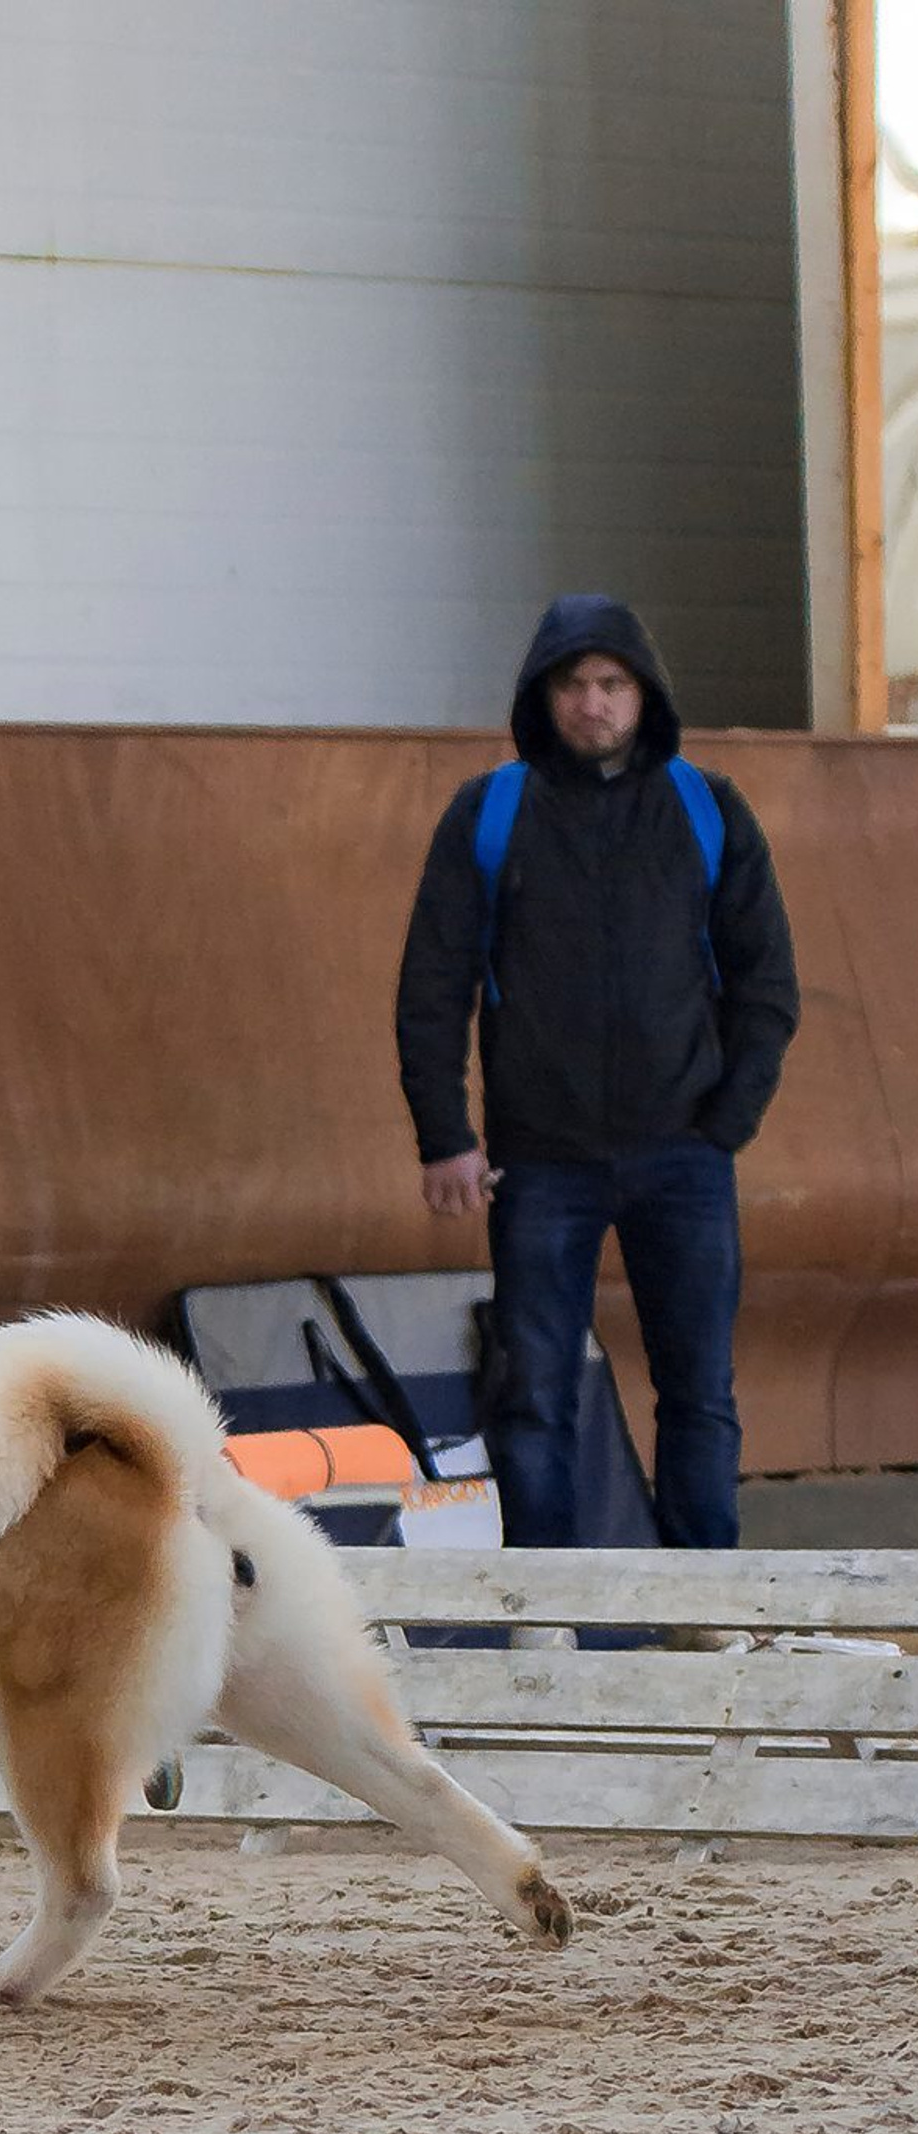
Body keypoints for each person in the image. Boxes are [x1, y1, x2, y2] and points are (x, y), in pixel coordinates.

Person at [395, 594, 798, 1549]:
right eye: (572, 685)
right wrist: (445, 1136)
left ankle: (704, 1609)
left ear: (645, 694)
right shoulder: (488, 814)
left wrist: (726, 1123)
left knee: (699, 1392)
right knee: (532, 1396)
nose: (593, 704)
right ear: (543, 697)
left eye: (613, 683)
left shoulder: (711, 810)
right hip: (540, 1166)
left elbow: (768, 983)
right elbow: (432, 983)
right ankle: (550, 1613)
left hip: (686, 1159)